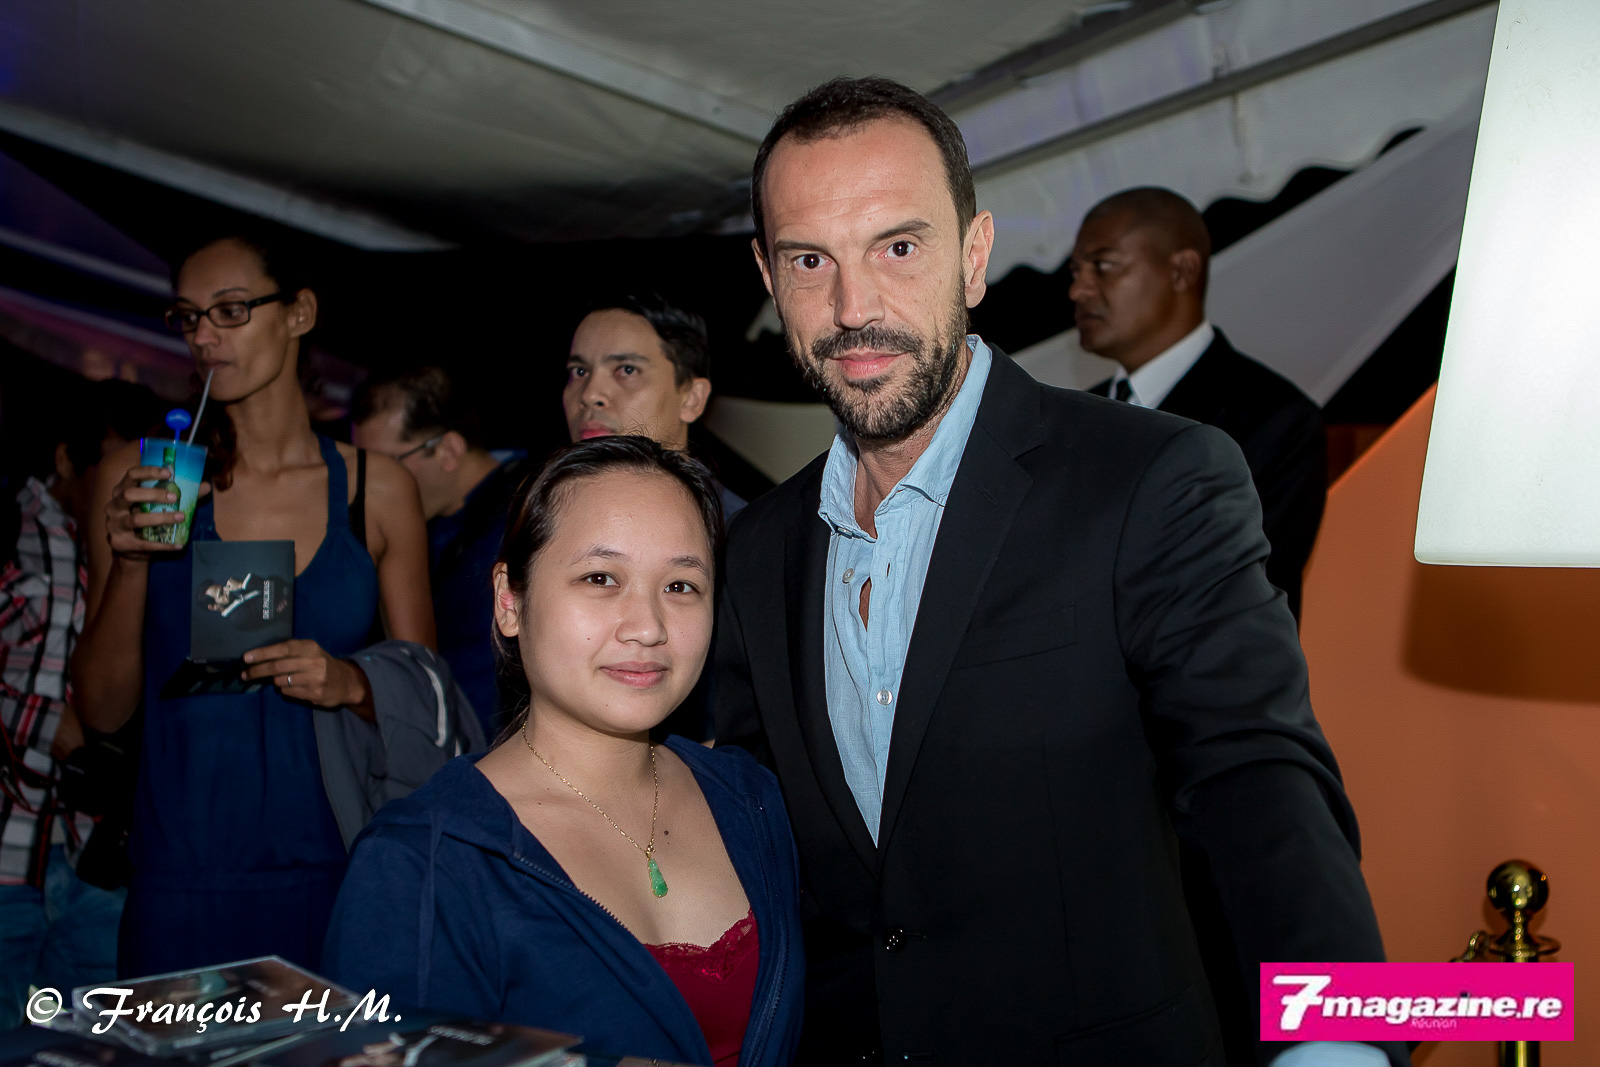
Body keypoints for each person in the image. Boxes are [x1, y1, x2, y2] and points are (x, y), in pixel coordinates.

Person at [711, 77, 1403, 1067]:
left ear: (975, 256)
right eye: (809, 258)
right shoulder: (759, 549)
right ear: (768, 276)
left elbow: (1253, 769)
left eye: (898, 247)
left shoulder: (1152, 478)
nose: (853, 306)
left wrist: (1335, 1040)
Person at [323, 436, 803, 1067]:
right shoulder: (425, 862)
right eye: (600, 578)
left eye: (682, 585)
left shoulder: (752, 799)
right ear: (510, 601)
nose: (648, 626)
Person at [71, 233, 435, 976]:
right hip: (178, 878)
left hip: (340, 873)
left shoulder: (378, 488)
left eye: (231, 310)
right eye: (188, 317)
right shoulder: (140, 475)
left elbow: (429, 702)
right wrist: (133, 564)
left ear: (299, 313)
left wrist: (352, 683)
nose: (204, 335)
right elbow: (102, 711)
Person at [1073, 187, 1327, 620]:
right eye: (1075, 272)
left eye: (1103, 266)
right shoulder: (1073, 415)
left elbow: (1242, 592)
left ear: (1182, 271)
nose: (1078, 290)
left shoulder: (1273, 420)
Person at [0, 378, 162, 1028]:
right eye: (114, 467)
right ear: (67, 459)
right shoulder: (14, 530)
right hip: (9, 856)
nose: (130, 488)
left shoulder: (150, 544)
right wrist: (62, 734)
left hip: (96, 859)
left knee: (101, 1046)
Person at [353, 367, 531, 740]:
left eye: (384, 466)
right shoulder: (433, 523)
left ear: (448, 451)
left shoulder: (528, 516)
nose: (368, 487)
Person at [564, 294, 746, 520]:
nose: (590, 395)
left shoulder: (737, 533)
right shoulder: (538, 515)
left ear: (692, 399)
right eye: (579, 371)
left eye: (627, 370)